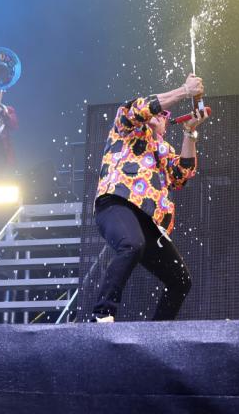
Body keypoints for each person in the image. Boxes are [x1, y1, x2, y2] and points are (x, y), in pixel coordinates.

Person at [90, 74, 209, 323]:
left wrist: (189, 132)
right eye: (159, 111)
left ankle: (157, 332)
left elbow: (181, 175)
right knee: (132, 244)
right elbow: (142, 108)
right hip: (116, 203)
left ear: (167, 127)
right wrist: (184, 91)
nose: (160, 115)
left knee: (180, 280)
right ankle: (102, 314)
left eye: (164, 116)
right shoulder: (126, 127)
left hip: (148, 220)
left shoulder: (163, 149)